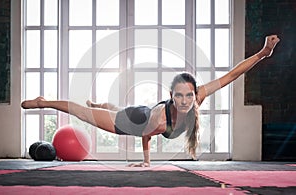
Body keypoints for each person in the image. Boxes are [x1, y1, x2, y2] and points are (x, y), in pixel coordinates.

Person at [22, 35, 280, 167]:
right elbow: (145, 135)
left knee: (119, 107)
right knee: (82, 112)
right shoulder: (161, 118)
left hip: (139, 111)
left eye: (189, 95)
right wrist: (147, 162)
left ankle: (101, 104)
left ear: (195, 93)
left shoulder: (197, 96)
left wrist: (262, 53)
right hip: (127, 122)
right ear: (171, 96)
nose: (185, 101)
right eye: (179, 96)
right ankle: (45, 102)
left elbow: (232, 74)